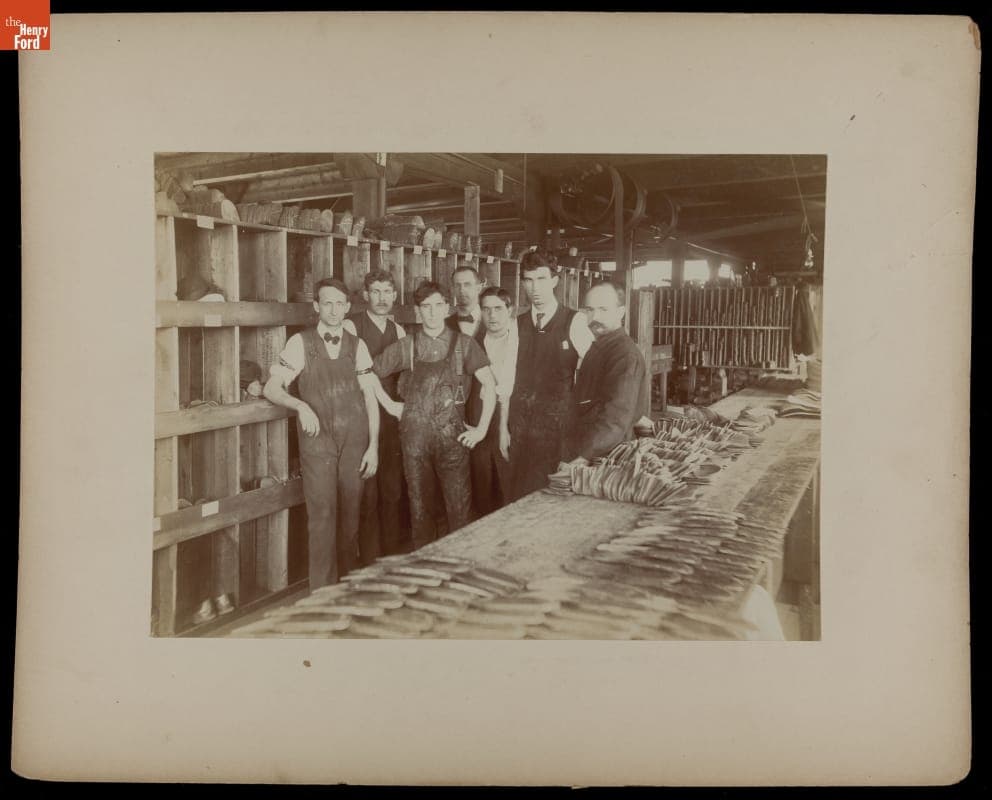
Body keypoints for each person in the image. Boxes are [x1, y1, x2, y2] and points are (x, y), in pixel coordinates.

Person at [263, 278, 379, 590]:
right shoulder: (300, 343)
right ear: (316, 307)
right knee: (323, 518)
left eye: (339, 303)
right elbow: (271, 387)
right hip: (319, 444)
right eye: (327, 303)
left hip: (355, 442)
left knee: (351, 519)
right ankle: (322, 596)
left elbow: (370, 397)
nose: (333, 309)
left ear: (348, 307)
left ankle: (347, 591)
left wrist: (374, 447)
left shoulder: (358, 345)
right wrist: (300, 405)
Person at [373, 281, 498, 548]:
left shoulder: (464, 344)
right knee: (420, 508)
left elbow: (489, 382)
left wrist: (482, 429)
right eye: (425, 307)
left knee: (459, 507)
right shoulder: (406, 345)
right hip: (414, 440)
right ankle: (424, 572)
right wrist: (389, 405)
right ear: (418, 311)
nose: (431, 312)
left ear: (447, 307)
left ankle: (459, 566)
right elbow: (368, 372)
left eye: (437, 305)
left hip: (453, 438)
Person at [505, 248, 594, 501]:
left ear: (555, 280)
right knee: (518, 495)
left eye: (542, 279)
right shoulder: (517, 323)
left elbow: (592, 376)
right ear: (522, 282)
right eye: (529, 280)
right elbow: (507, 379)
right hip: (521, 427)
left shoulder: (574, 321)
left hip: (558, 429)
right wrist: (503, 427)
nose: (535, 288)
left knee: (552, 497)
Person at [343, 269, 408, 562]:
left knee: (393, 491)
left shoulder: (400, 331)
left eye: (387, 292)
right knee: (367, 495)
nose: (382, 298)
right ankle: (369, 560)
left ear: (394, 295)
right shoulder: (351, 326)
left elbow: (406, 377)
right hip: (362, 418)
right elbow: (358, 375)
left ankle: (391, 559)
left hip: (392, 421)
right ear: (366, 295)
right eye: (376, 292)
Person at [565, 281, 648, 464]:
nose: (595, 317)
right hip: (590, 447)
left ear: (621, 312)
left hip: (608, 456)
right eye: (589, 310)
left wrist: (582, 457)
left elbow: (615, 419)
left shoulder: (624, 355)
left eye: (603, 309)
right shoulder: (600, 346)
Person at [469, 286, 518, 516]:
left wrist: (505, 426)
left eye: (498, 308)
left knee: (509, 486)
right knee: (482, 485)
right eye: (486, 309)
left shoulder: (520, 341)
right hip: (480, 419)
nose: (492, 315)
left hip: (512, 418)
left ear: (510, 310)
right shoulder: (474, 341)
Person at [446, 264, 484, 337]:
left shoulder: (492, 319)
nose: (462, 290)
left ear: (479, 288)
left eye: (467, 284)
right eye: (457, 285)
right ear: (453, 289)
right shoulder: (444, 323)